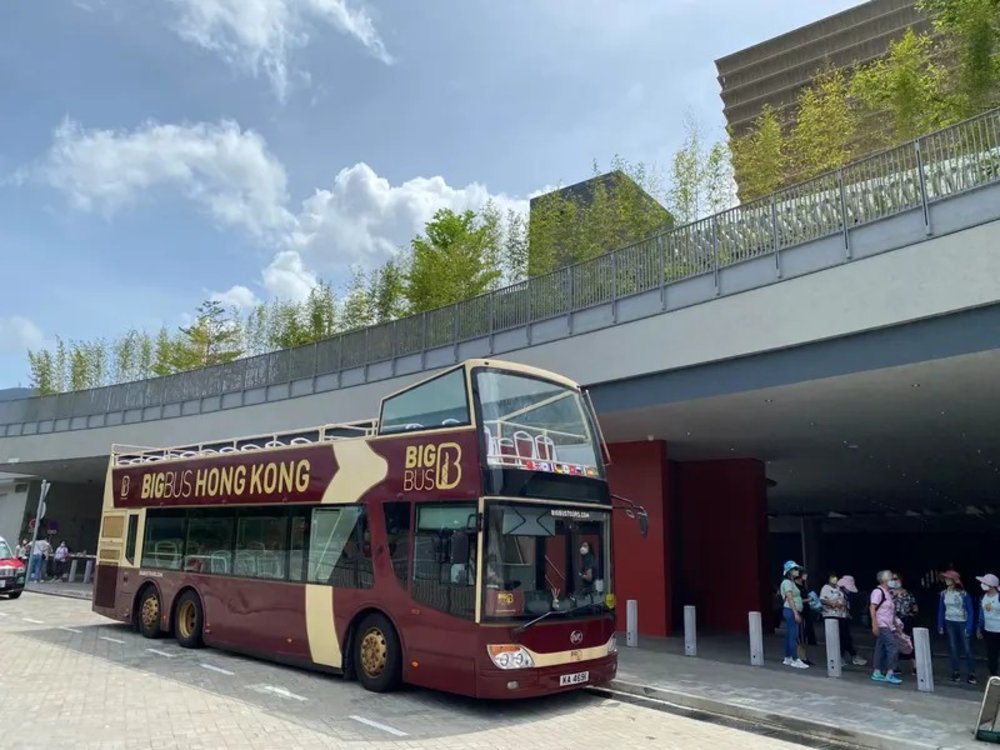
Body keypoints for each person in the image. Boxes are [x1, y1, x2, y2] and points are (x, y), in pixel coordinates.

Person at [937, 569, 976, 684]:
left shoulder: (963, 593)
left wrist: (969, 627)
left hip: (962, 622)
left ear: (954, 580)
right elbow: (941, 610)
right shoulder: (943, 593)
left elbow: (970, 611)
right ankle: (955, 671)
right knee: (953, 648)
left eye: (948, 578)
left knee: (967, 649)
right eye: (945, 578)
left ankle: (972, 673)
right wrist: (940, 624)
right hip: (949, 622)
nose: (946, 580)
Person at [821, 573, 867, 667]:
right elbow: (823, 600)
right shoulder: (828, 588)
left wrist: (847, 613)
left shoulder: (843, 593)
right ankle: (843, 657)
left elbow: (844, 604)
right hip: (832, 617)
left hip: (842, 616)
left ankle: (846, 657)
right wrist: (834, 605)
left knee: (845, 637)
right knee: (841, 638)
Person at [870, 569, 903, 684]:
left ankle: (877, 671)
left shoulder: (888, 593)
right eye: (890, 578)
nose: (893, 580)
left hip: (888, 624)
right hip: (882, 624)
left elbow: (891, 611)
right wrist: (874, 624)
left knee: (880, 647)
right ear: (884, 580)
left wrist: (895, 624)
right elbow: (872, 608)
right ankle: (890, 672)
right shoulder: (878, 592)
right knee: (892, 647)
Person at [779, 560, 809, 669]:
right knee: (793, 635)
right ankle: (795, 659)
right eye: (795, 569)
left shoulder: (791, 583)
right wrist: (796, 613)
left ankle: (788, 657)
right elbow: (790, 598)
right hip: (790, 610)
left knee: (790, 635)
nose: (797, 571)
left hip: (791, 610)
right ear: (789, 571)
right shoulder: (787, 583)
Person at [891, 573, 918, 676]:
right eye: (892, 579)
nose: (894, 581)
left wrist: (910, 615)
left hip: (905, 621)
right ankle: (895, 666)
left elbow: (915, 608)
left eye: (896, 579)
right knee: (893, 644)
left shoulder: (908, 594)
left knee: (908, 643)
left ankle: (915, 666)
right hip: (892, 621)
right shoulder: (889, 594)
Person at [977, 573, 1000, 678]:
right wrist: (979, 628)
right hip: (989, 630)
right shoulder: (982, 598)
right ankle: (993, 674)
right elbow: (981, 615)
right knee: (991, 654)